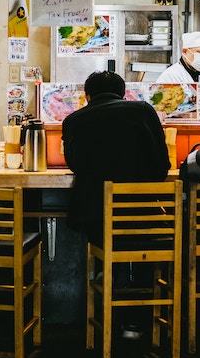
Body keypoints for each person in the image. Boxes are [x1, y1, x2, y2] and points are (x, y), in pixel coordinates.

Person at [62, 70, 171, 245]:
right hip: (143, 215)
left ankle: (102, 271)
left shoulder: (73, 121)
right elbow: (161, 165)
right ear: (123, 94)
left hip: (96, 220)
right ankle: (145, 271)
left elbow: (75, 165)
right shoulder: (143, 111)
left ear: (87, 96)